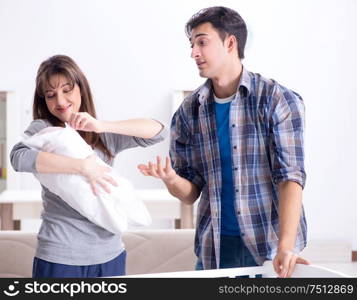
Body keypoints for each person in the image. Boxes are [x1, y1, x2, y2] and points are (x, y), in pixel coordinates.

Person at [138, 6, 308, 277]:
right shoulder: (188, 111)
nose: (194, 52)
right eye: (192, 44)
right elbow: (191, 191)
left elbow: (290, 177)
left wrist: (286, 246)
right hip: (214, 249)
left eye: (202, 42)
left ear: (231, 43)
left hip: (270, 247)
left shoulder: (278, 100)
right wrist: (170, 179)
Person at [10, 55, 166, 278]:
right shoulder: (44, 129)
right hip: (59, 253)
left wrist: (101, 125)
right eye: (50, 95)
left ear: (81, 89)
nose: (60, 101)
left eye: (67, 90)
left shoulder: (102, 135)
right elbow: (18, 157)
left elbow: (159, 132)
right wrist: (81, 166)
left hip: (110, 254)